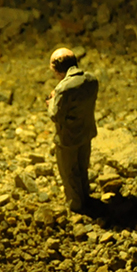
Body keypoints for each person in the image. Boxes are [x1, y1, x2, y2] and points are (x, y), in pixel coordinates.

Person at [46, 47, 98, 215]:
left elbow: (55, 115)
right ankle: (86, 198)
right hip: (86, 132)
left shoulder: (63, 89)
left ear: (57, 68)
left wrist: (52, 101)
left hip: (68, 138)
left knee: (69, 172)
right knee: (83, 168)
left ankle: (76, 206)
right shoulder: (91, 80)